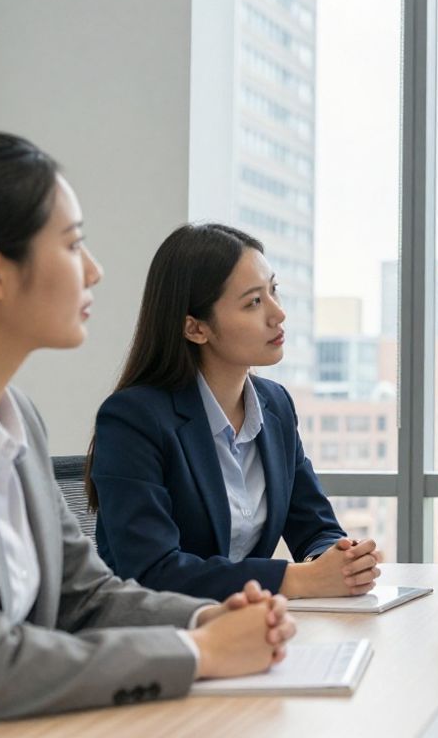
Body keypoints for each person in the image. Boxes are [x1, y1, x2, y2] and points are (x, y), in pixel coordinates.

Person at [0, 131, 296, 736]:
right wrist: (202, 653)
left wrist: (211, 618)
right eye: (72, 245)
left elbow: (83, 597)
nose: (95, 270)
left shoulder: (17, 418)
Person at [87, 224, 382, 602]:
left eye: (272, 291)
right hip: (162, 642)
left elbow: (314, 526)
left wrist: (338, 560)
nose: (278, 314)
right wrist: (299, 580)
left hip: (252, 629)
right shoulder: (133, 419)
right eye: (253, 302)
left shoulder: (275, 406)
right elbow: (152, 572)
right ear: (195, 328)